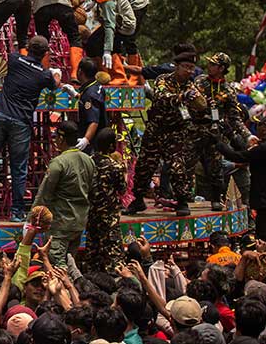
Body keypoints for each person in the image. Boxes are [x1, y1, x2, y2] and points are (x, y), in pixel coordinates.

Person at [0, 35, 61, 222]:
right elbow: (55, 85)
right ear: (45, 53)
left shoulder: (14, 60)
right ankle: (17, 212)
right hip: (20, 122)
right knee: (18, 169)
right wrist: (56, 72)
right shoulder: (44, 75)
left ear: (28, 48)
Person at [126, 49, 204, 217]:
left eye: (192, 68)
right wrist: (182, 97)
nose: (189, 71)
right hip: (155, 130)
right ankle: (138, 200)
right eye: (186, 66)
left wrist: (198, 102)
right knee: (144, 166)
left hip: (176, 133)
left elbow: (201, 105)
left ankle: (182, 201)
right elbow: (162, 97)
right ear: (176, 66)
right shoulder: (163, 80)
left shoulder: (191, 86)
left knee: (177, 167)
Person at [32, 120, 96, 266]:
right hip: (79, 222)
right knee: (70, 262)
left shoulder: (59, 163)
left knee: (57, 266)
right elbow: (92, 190)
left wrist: (32, 218)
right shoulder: (88, 160)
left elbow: (44, 194)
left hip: (61, 224)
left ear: (61, 139)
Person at [191, 53, 249, 211]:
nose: (209, 66)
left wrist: (247, 135)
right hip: (195, 130)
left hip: (215, 134)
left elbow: (234, 117)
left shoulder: (228, 90)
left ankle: (216, 199)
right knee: (186, 164)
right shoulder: (199, 81)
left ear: (222, 68)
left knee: (215, 167)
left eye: (213, 64)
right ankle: (182, 199)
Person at [215, 113, 266, 242]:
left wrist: (218, 143)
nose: (256, 127)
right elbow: (244, 149)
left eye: (258, 124)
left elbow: (239, 156)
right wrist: (230, 133)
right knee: (264, 235)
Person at [80, 0, 136, 84]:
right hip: (117, 21)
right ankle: (103, 74)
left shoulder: (108, 1)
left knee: (100, 43)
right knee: (93, 43)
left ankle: (119, 77)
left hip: (124, 25)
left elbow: (110, 26)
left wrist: (107, 51)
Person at [82, 128, 127, 273]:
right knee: (114, 256)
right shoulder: (115, 166)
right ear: (111, 146)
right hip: (109, 217)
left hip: (91, 215)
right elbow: (122, 189)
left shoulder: (88, 162)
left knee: (92, 253)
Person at [75, 58, 109, 151]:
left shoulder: (90, 94)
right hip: (100, 136)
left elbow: (94, 120)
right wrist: (76, 95)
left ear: (80, 72)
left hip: (93, 141)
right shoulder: (96, 86)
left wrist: (86, 139)